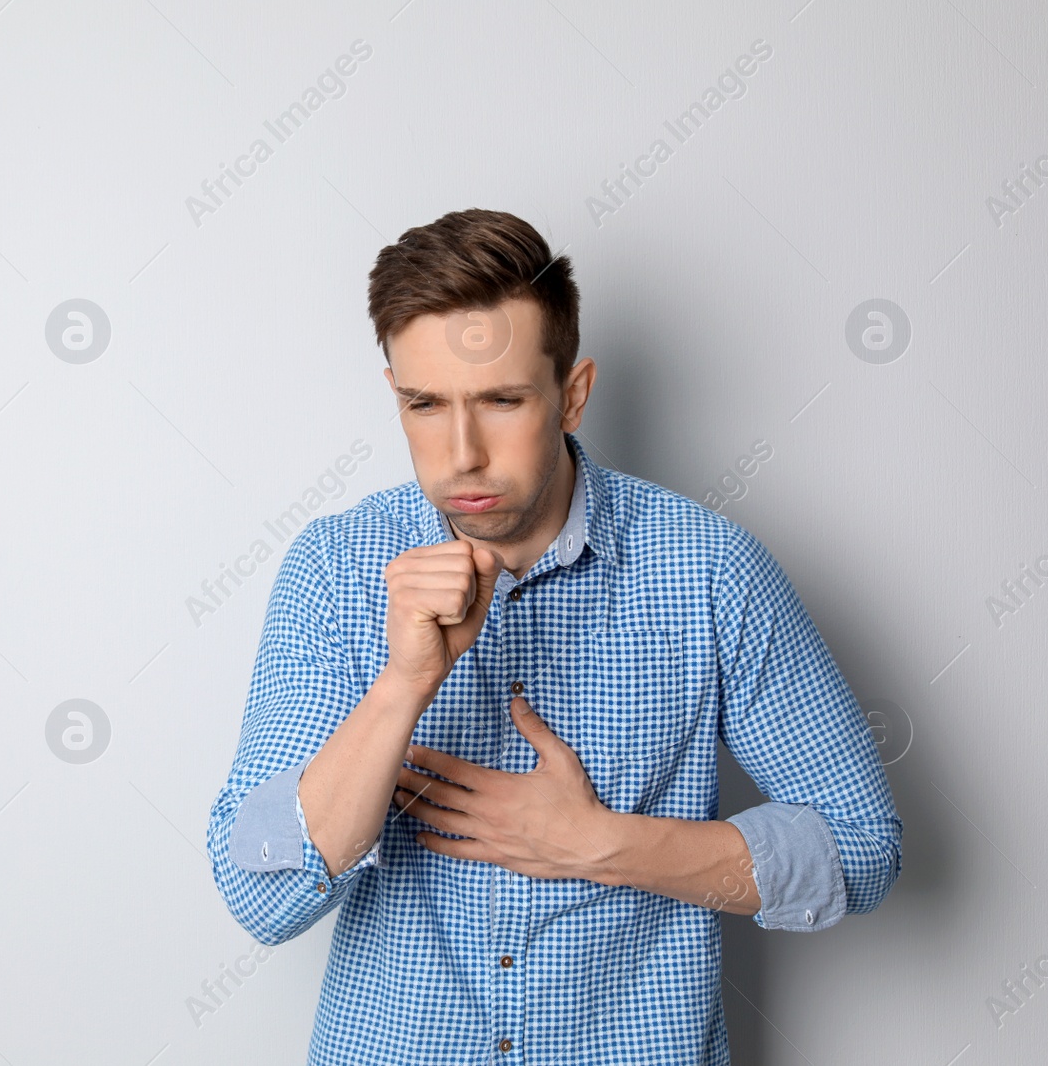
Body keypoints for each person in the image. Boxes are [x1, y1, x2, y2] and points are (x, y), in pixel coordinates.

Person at [205, 207, 902, 1064]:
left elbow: (862, 850)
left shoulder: (710, 569)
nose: (461, 454)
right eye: (425, 404)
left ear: (572, 394)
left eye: (501, 401)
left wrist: (606, 845)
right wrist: (402, 685)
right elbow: (261, 896)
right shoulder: (337, 568)